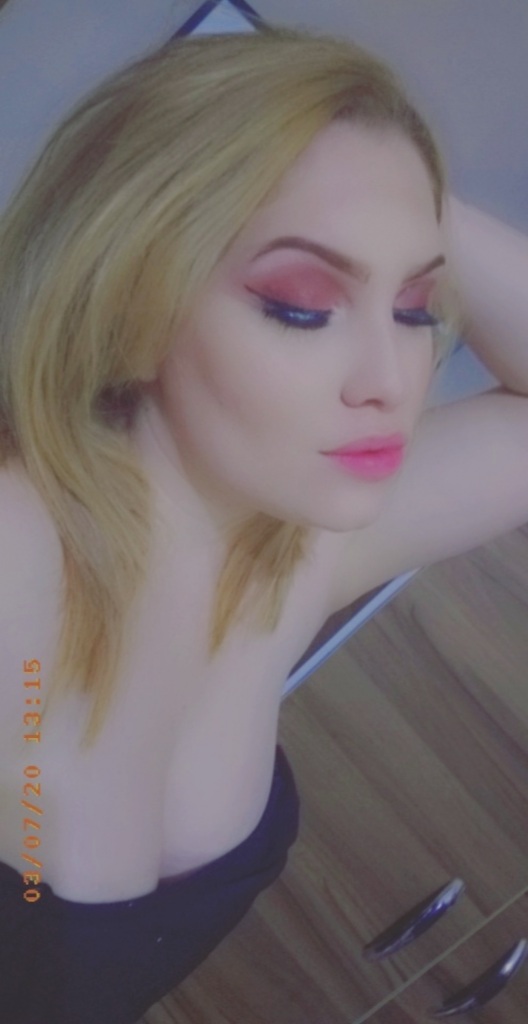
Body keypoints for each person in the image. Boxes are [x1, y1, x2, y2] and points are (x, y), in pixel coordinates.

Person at [1, 23, 527, 1024]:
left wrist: (400, 195)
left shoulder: (288, 558)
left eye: (416, 306)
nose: (390, 380)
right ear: (133, 293)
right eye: (301, 305)